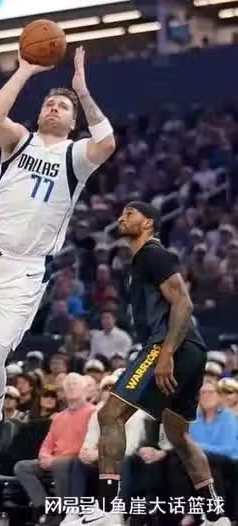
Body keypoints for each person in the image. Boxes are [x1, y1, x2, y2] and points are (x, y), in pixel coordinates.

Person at [0, 45, 116, 467]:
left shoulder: (76, 155)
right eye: (50, 103)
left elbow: (107, 142)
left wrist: (82, 92)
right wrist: (22, 71)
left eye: (63, 107)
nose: (54, 108)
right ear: (39, 114)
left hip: (25, 268)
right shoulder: (20, 141)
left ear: (73, 122)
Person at [70, 202, 229, 526]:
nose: (121, 218)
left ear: (149, 223)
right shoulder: (141, 260)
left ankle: (107, 508)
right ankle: (215, 514)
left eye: (130, 213)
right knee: (178, 434)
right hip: (191, 349)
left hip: (169, 345)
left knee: (109, 414)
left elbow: (183, 303)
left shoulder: (152, 253)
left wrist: (166, 353)